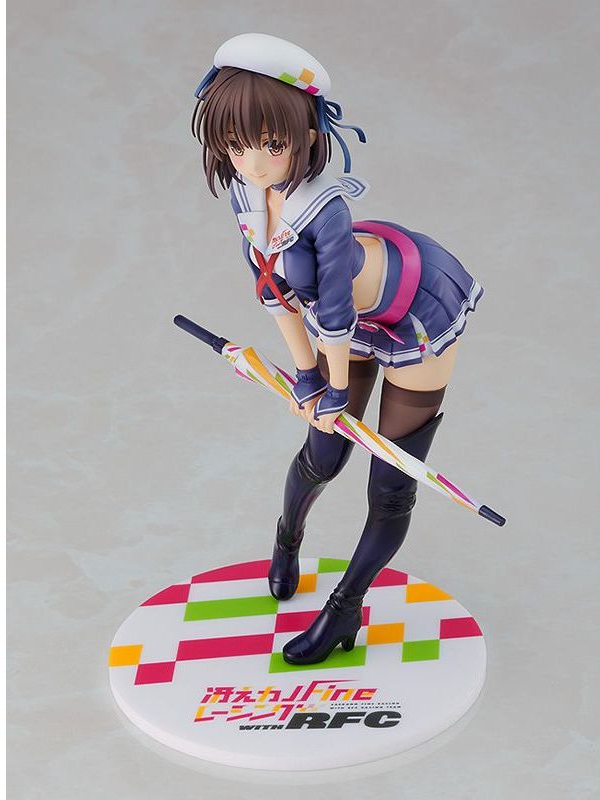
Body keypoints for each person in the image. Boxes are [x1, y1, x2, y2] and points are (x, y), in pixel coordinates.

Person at [191, 33, 483, 665]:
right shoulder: (248, 193)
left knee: (390, 483)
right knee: (322, 454)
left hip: (412, 311)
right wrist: (305, 378)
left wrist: (333, 386)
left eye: (271, 144)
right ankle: (287, 537)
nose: (253, 162)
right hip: (337, 325)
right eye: (236, 144)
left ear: (305, 134)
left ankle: (345, 607)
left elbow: (334, 314)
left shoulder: (324, 212)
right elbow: (272, 291)